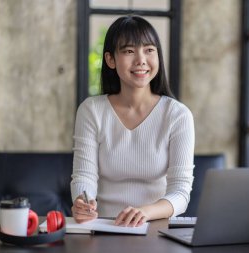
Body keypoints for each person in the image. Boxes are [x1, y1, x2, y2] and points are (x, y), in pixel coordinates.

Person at [70, 15, 195, 227]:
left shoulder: (177, 115)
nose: (141, 60)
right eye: (129, 51)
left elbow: (181, 192)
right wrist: (83, 203)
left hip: (157, 229)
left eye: (149, 50)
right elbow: (84, 176)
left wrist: (144, 212)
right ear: (110, 60)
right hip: (105, 226)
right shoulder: (91, 110)